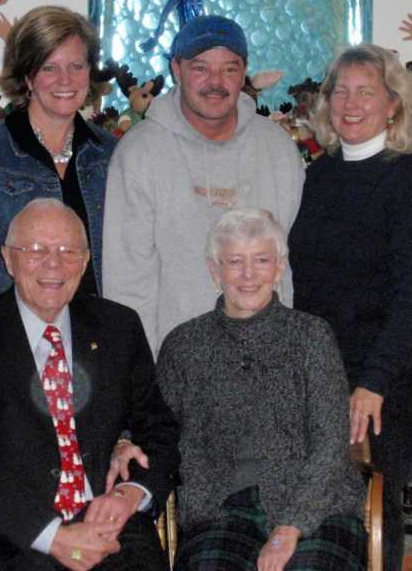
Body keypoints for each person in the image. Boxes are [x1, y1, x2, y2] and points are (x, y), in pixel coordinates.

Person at [0, 199, 180, 571]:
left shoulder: (117, 327)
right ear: (8, 258)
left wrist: (131, 494)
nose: (53, 264)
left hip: (104, 526)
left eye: (68, 251)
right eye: (35, 250)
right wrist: (54, 536)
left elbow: (159, 429)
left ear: (85, 262)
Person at [287, 45, 412, 571]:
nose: (351, 104)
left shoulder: (409, 179)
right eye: (341, 92)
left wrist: (373, 381)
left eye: (366, 92)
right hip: (316, 374)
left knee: (372, 510)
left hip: (378, 383)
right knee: (316, 505)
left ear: (393, 105)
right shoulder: (318, 175)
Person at [157, 208, 366, 571]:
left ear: (280, 267)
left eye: (261, 260)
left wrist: (290, 528)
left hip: (316, 509)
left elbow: (331, 443)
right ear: (214, 270)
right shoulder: (184, 345)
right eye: (234, 261)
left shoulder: (311, 337)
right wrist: (127, 441)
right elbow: (156, 426)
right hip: (219, 510)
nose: (249, 274)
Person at [103, 15, 305, 353]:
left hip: (268, 361)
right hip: (177, 364)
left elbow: (286, 267)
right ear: (176, 69)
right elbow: (127, 281)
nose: (216, 82)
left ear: (244, 74)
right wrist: (144, 375)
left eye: (229, 69)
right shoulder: (140, 153)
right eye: (200, 68)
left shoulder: (278, 149)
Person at [0, 5, 116, 307]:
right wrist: (32, 316)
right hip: (11, 334)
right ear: (27, 76)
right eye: (49, 67)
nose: (65, 80)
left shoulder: (111, 155)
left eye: (76, 66)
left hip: (97, 331)